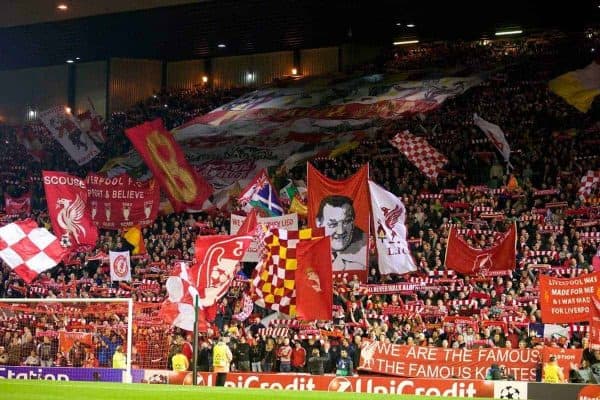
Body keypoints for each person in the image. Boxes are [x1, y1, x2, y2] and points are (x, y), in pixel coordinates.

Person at [315, 195, 367, 271]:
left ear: (353, 222)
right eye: (333, 224)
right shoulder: (306, 253)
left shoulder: (364, 252)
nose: (340, 231)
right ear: (318, 223)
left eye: (347, 222)